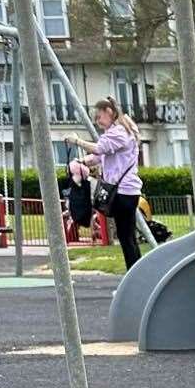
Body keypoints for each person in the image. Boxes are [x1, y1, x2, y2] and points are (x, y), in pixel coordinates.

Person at [65, 99, 144, 270]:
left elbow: (100, 149)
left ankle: (135, 273)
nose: (98, 121)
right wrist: (82, 161)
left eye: (99, 117)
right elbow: (100, 156)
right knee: (126, 236)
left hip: (124, 191)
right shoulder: (117, 132)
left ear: (109, 111)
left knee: (126, 237)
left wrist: (78, 142)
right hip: (125, 191)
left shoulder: (119, 132)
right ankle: (136, 272)